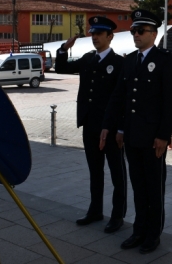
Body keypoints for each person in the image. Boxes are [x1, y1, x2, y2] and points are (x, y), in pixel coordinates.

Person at [102, 9, 172, 253]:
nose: (135, 34)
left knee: (154, 188)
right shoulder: (130, 60)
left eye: (140, 30)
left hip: (153, 138)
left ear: (153, 34)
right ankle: (139, 230)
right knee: (138, 186)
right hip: (132, 136)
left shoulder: (165, 60)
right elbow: (122, 98)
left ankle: (153, 234)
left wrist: (164, 136)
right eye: (133, 30)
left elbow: (170, 102)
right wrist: (118, 128)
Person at [55, 16, 127, 233]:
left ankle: (117, 216)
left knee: (117, 174)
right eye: (93, 33)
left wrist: (121, 128)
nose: (94, 37)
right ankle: (95, 210)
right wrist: (62, 49)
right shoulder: (88, 59)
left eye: (99, 34)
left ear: (109, 37)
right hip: (90, 126)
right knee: (95, 171)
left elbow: (123, 99)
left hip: (112, 129)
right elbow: (61, 69)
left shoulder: (119, 63)